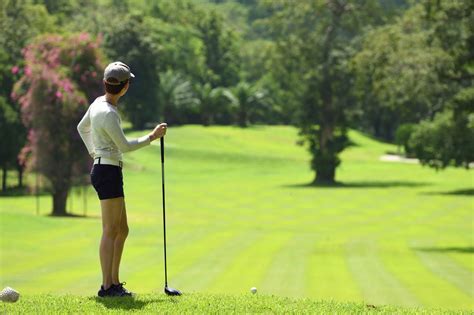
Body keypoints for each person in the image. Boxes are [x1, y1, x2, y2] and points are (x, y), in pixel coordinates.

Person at [77, 61, 167, 297]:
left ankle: (114, 282)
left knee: (122, 229)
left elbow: (81, 128)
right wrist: (152, 136)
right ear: (125, 87)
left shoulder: (98, 103)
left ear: (105, 83)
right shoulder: (108, 113)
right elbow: (125, 146)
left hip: (107, 170)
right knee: (110, 230)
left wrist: (92, 151)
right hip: (107, 172)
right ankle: (107, 287)